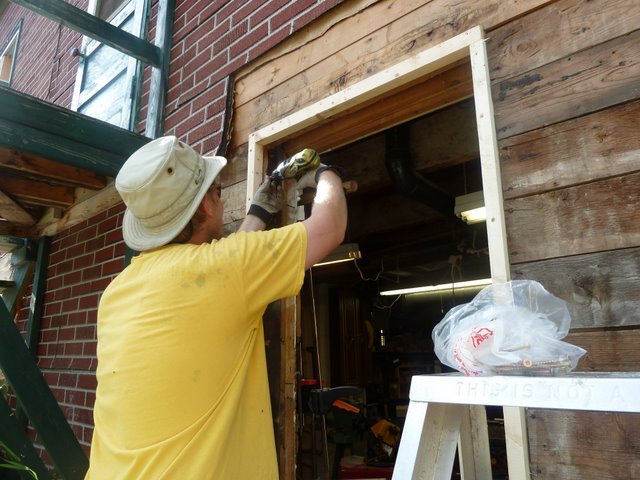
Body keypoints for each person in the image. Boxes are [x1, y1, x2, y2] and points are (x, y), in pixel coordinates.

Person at [85, 135, 347, 479]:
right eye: (217, 191)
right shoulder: (225, 270)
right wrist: (326, 173)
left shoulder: (115, 292)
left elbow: (223, 273)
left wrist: (258, 213)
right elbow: (330, 226)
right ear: (207, 207)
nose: (220, 200)